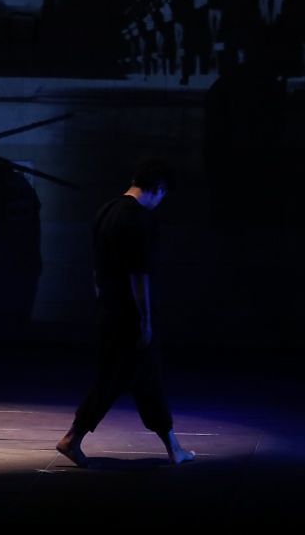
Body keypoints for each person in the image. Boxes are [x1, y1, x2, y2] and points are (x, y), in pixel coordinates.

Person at [56, 158, 195, 467]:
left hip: (111, 309)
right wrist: (145, 319)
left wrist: (103, 300)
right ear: (158, 189)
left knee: (138, 380)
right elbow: (138, 274)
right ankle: (72, 438)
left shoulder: (106, 211)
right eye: (163, 195)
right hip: (129, 314)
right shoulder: (138, 219)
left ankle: (173, 448)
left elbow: (97, 267)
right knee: (123, 378)